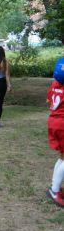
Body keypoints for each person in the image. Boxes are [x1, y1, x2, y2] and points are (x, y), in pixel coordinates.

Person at [46, 58, 64, 208]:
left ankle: (54, 187)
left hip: (53, 121)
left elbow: (49, 101)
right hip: (62, 124)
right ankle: (55, 190)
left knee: (62, 156)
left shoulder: (53, 85)